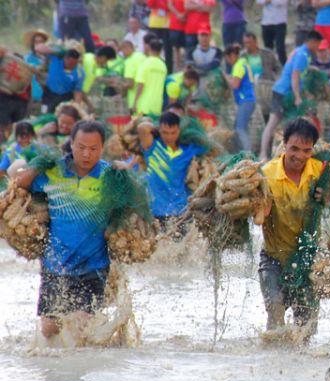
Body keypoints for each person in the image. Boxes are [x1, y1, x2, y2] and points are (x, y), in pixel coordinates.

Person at [10, 121, 116, 340]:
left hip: (93, 266)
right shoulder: (53, 171)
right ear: (71, 145)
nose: (86, 153)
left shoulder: (109, 177)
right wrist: (40, 164)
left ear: (102, 147)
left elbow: (131, 208)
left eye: (93, 148)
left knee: (81, 324)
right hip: (55, 264)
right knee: (49, 329)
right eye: (81, 147)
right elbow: (18, 183)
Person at [258, 118, 330, 336]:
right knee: (275, 315)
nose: (300, 156)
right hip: (273, 259)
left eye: (306, 150)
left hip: (308, 259)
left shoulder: (320, 170)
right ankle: (272, 363)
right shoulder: (267, 174)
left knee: (306, 328)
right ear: (284, 144)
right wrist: (260, 209)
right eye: (294, 149)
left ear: (312, 150)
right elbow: (258, 217)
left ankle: (300, 369)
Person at [259, 30, 323, 161]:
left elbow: (296, 68)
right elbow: (295, 75)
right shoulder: (303, 55)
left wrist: (311, 68)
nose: (318, 48)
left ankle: (274, 154)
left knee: (282, 124)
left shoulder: (300, 51)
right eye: (318, 44)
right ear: (312, 42)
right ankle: (263, 154)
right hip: (283, 93)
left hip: (283, 91)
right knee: (272, 124)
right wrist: (298, 96)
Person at [136, 111, 207, 229]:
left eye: (173, 132)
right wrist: (155, 127)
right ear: (159, 130)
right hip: (156, 210)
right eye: (165, 132)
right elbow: (142, 128)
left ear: (179, 131)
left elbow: (209, 149)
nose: (169, 137)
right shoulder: (152, 147)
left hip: (181, 210)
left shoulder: (188, 151)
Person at [223, 44, 257, 151]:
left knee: (240, 128)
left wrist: (225, 77)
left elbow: (235, 85)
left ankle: (247, 154)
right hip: (249, 100)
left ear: (232, 55)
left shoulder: (238, 66)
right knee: (240, 127)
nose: (228, 62)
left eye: (227, 59)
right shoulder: (244, 63)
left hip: (246, 100)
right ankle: (240, 151)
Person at [34, 44, 85, 114]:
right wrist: (58, 52)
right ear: (65, 58)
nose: (72, 66)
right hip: (49, 93)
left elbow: (78, 91)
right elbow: (38, 48)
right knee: (44, 113)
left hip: (65, 97)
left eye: (74, 64)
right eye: (70, 63)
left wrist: (77, 106)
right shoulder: (56, 58)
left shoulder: (80, 73)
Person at [133, 38, 169, 115]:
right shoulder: (163, 66)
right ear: (161, 50)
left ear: (149, 48)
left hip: (144, 104)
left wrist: (135, 102)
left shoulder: (144, 64)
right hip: (157, 105)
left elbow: (140, 84)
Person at [23, 30, 49, 105]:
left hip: (47, 96)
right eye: (36, 42)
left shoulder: (50, 59)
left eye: (41, 42)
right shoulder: (27, 59)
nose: (38, 44)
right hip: (31, 96)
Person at [120, 40, 148, 111]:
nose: (122, 53)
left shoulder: (130, 61)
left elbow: (130, 84)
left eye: (122, 50)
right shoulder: (143, 57)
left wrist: (120, 86)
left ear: (127, 48)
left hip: (134, 101)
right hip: (146, 99)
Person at [147, 0, 174, 72]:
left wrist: (161, 4)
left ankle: (168, 70)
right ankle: (151, 67)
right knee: (152, 47)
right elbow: (150, 4)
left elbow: (170, 6)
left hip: (166, 24)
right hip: (154, 24)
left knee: (167, 49)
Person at [260, 0, 289, 64]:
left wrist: (270, 1)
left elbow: (282, 2)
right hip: (266, 22)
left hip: (280, 22)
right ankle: (269, 68)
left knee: (280, 48)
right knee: (267, 49)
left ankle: (284, 67)